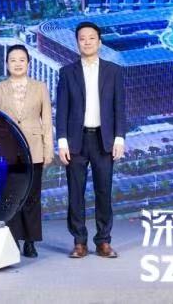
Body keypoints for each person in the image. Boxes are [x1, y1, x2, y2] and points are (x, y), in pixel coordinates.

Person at [55, 21, 126, 259]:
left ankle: (103, 241)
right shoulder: (67, 72)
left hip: (104, 141)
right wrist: (62, 142)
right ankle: (79, 242)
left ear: (100, 42)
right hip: (76, 141)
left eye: (91, 38)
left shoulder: (113, 71)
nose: (87, 42)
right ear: (77, 43)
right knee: (76, 193)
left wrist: (119, 138)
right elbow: (62, 109)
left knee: (103, 192)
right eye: (82, 39)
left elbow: (119, 107)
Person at [0, 44, 53, 258]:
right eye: (13, 60)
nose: (17, 64)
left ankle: (30, 241)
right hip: (7, 149)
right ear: (7, 64)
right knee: (10, 195)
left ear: (28, 63)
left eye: (22, 60)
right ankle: (13, 238)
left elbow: (47, 121)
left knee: (32, 196)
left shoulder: (40, 87)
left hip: (34, 148)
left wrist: (48, 150)